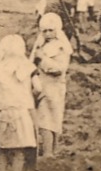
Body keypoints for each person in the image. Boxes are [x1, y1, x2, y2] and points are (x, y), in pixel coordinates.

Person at [0, 34, 37, 171]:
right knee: (19, 150)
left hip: (4, 111)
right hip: (21, 112)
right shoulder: (27, 67)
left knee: (2, 148)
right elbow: (38, 87)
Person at [31, 13, 73, 157]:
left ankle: (50, 152)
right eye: (45, 31)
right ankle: (49, 151)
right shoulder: (40, 45)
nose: (48, 34)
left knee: (49, 120)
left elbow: (59, 69)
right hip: (42, 86)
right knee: (45, 119)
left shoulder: (61, 47)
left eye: (51, 30)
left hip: (54, 86)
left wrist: (42, 59)